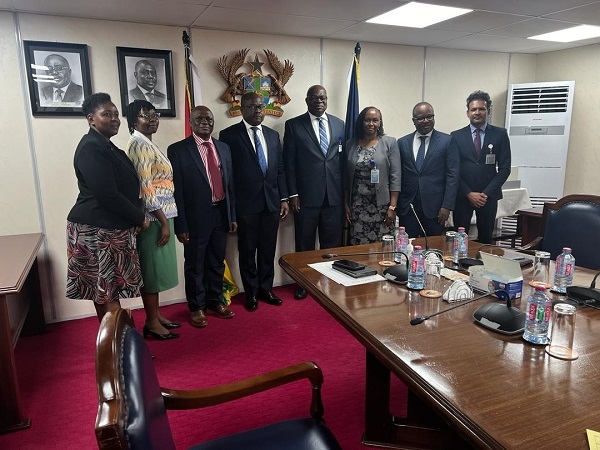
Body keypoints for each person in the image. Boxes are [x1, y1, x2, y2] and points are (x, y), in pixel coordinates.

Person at [66, 92, 149, 321]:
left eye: (115, 114)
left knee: (107, 291)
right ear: (91, 119)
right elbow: (108, 195)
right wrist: (139, 218)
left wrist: (137, 210)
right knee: (105, 292)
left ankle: (117, 344)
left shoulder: (109, 147)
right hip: (95, 231)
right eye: (106, 114)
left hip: (109, 229)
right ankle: (118, 346)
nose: (114, 118)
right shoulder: (91, 147)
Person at [218, 92, 289, 312]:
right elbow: (227, 175)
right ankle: (250, 293)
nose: (257, 111)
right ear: (242, 108)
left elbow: (279, 169)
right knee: (247, 251)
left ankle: (265, 289)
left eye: (260, 107)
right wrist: (231, 209)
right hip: (246, 205)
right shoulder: (229, 135)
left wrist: (284, 198)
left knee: (267, 249)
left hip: (271, 203)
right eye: (252, 107)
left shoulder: (272, 135)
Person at [167, 106, 236, 328]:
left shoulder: (223, 148)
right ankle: (196, 307)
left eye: (209, 118)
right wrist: (181, 225)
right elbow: (177, 191)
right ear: (191, 122)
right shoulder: (178, 150)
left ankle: (215, 301)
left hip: (220, 214)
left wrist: (231, 216)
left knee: (216, 261)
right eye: (199, 118)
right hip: (195, 218)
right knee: (195, 265)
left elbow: (230, 186)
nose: (205, 121)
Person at [283, 85, 345, 299]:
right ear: (307, 100)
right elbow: (288, 163)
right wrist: (292, 194)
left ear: (327, 100)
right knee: (305, 243)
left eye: (323, 97)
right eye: (315, 98)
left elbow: (342, 161)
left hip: (333, 196)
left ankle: (330, 282)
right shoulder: (293, 125)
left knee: (331, 243)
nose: (319, 101)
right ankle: (305, 283)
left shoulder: (339, 124)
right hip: (305, 197)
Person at [125, 100, 180, 340]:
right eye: (145, 115)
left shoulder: (147, 143)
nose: (152, 118)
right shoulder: (138, 144)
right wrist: (163, 222)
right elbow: (146, 188)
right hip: (154, 219)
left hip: (164, 215)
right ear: (133, 120)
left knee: (158, 272)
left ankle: (156, 316)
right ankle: (151, 322)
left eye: (154, 114)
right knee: (152, 272)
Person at [451, 91, 511, 244]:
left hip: (488, 198)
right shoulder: (456, 136)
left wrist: (485, 194)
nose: (477, 112)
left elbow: (505, 168)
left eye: (481, 109)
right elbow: (452, 170)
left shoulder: (500, 134)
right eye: (473, 109)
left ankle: (484, 267)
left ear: (488, 111)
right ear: (467, 113)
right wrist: (468, 193)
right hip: (463, 196)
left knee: (485, 239)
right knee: (460, 240)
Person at [397, 102, 460, 238]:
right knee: (407, 247)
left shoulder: (447, 141)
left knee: (433, 249)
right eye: (421, 118)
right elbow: (398, 174)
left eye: (429, 116)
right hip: (409, 208)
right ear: (414, 121)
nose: (425, 120)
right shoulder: (402, 143)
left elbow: (453, 175)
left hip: (436, 208)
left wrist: (447, 206)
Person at [344, 106, 400, 245]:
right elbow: (346, 177)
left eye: (375, 120)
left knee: (382, 249)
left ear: (380, 122)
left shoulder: (390, 143)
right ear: (361, 122)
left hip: (381, 206)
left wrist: (392, 207)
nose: (371, 124)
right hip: (357, 206)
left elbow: (395, 176)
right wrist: (346, 203)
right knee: (358, 247)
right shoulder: (351, 144)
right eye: (367, 120)